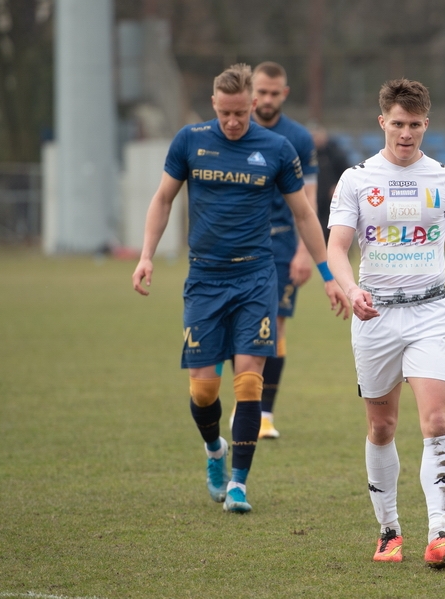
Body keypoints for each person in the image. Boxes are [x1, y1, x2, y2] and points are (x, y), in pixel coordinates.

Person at [132, 63, 348, 514]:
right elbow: (163, 198)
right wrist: (146, 255)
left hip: (256, 278)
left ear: (253, 104)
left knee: (248, 381)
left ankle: (239, 484)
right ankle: (215, 448)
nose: (233, 123)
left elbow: (305, 215)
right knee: (204, 391)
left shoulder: (276, 148)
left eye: (241, 114)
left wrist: (328, 275)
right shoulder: (190, 141)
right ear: (214, 104)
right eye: (226, 113)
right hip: (205, 279)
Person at [327, 79, 445, 568]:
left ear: (426, 124)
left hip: (431, 313)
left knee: (435, 420)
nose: (406, 133)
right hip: (376, 317)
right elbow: (336, 248)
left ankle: (440, 534)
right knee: (382, 425)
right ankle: (389, 531)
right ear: (382, 122)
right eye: (397, 123)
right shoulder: (356, 179)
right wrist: (352, 291)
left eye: (414, 124)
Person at [227, 61, 320, 440]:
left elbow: (308, 199)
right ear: (250, 94)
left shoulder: (297, 138)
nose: (266, 99)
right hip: (236, 244)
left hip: (281, 244)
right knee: (236, 325)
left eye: (273, 93)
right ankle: (242, 402)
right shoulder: (230, 131)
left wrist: (303, 251)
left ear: (284, 93)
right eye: (260, 92)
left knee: (274, 325)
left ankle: (263, 412)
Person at [309, 123, 351, 243]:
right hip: (316, 199)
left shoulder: (335, 153)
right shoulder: (309, 155)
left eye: (317, 136)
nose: (315, 139)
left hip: (333, 200)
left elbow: (347, 173)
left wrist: (338, 187)